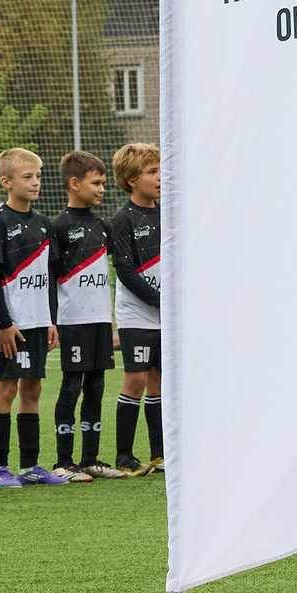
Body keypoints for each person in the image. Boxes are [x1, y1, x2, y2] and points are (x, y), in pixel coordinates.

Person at [0, 146, 57, 488]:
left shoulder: (44, 224)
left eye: (38, 176)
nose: (35, 182)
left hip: (38, 321)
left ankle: (30, 465)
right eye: (27, 177)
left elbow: (51, 277)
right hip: (11, 324)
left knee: (34, 388)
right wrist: (4, 323)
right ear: (6, 182)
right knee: (7, 389)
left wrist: (51, 320)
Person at [46, 151, 115, 484]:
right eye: (96, 182)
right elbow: (50, 277)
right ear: (74, 184)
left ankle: (90, 459)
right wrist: (53, 320)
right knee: (72, 383)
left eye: (103, 182)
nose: (102, 189)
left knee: (97, 386)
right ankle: (63, 461)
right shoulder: (58, 226)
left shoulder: (101, 224)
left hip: (101, 317)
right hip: (73, 320)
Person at [108, 142, 163, 475]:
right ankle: (124, 456)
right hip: (137, 315)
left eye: (160, 170)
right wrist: (159, 299)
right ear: (131, 179)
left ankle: (160, 455)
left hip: (166, 316)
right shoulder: (124, 219)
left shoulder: (170, 213)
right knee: (136, 380)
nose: (160, 177)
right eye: (151, 172)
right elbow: (125, 270)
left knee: (159, 383)